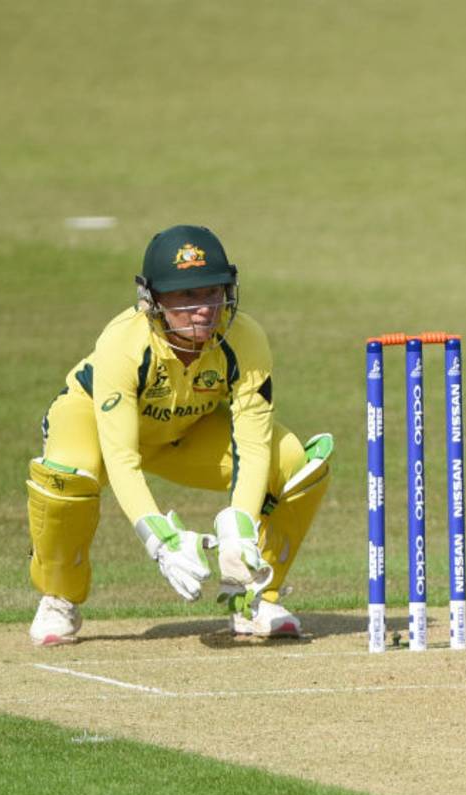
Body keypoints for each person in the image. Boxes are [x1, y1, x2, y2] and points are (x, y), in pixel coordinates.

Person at [26, 225, 333, 646]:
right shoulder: (123, 343)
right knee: (67, 476)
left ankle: (253, 595)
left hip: (183, 431)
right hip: (93, 423)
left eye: (212, 292)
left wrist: (240, 526)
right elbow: (121, 457)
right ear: (152, 299)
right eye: (186, 296)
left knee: (295, 463)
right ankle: (58, 597)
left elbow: (253, 442)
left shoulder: (245, 338)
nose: (203, 309)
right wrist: (162, 541)